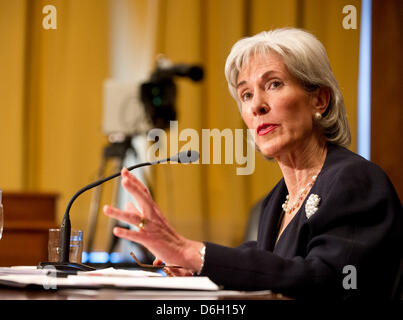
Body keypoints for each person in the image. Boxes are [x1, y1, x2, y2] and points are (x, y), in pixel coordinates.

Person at [103, 28, 403, 300]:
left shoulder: (356, 180)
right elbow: (267, 263)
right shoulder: (277, 198)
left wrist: (194, 253)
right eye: (246, 94)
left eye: (273, 84)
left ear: (319, 100)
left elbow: (325, 280)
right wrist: (192, 264)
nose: (256, 105)